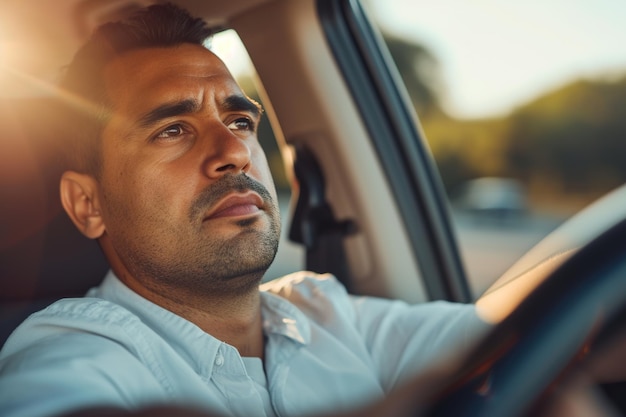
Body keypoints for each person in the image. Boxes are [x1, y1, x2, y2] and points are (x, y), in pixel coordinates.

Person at [0, 4, 488, 417]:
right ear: (88, 205)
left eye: (239, 120)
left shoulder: (329, 313)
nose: (233, 151)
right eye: (171, 130)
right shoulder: (72, 357)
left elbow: (519, 331)